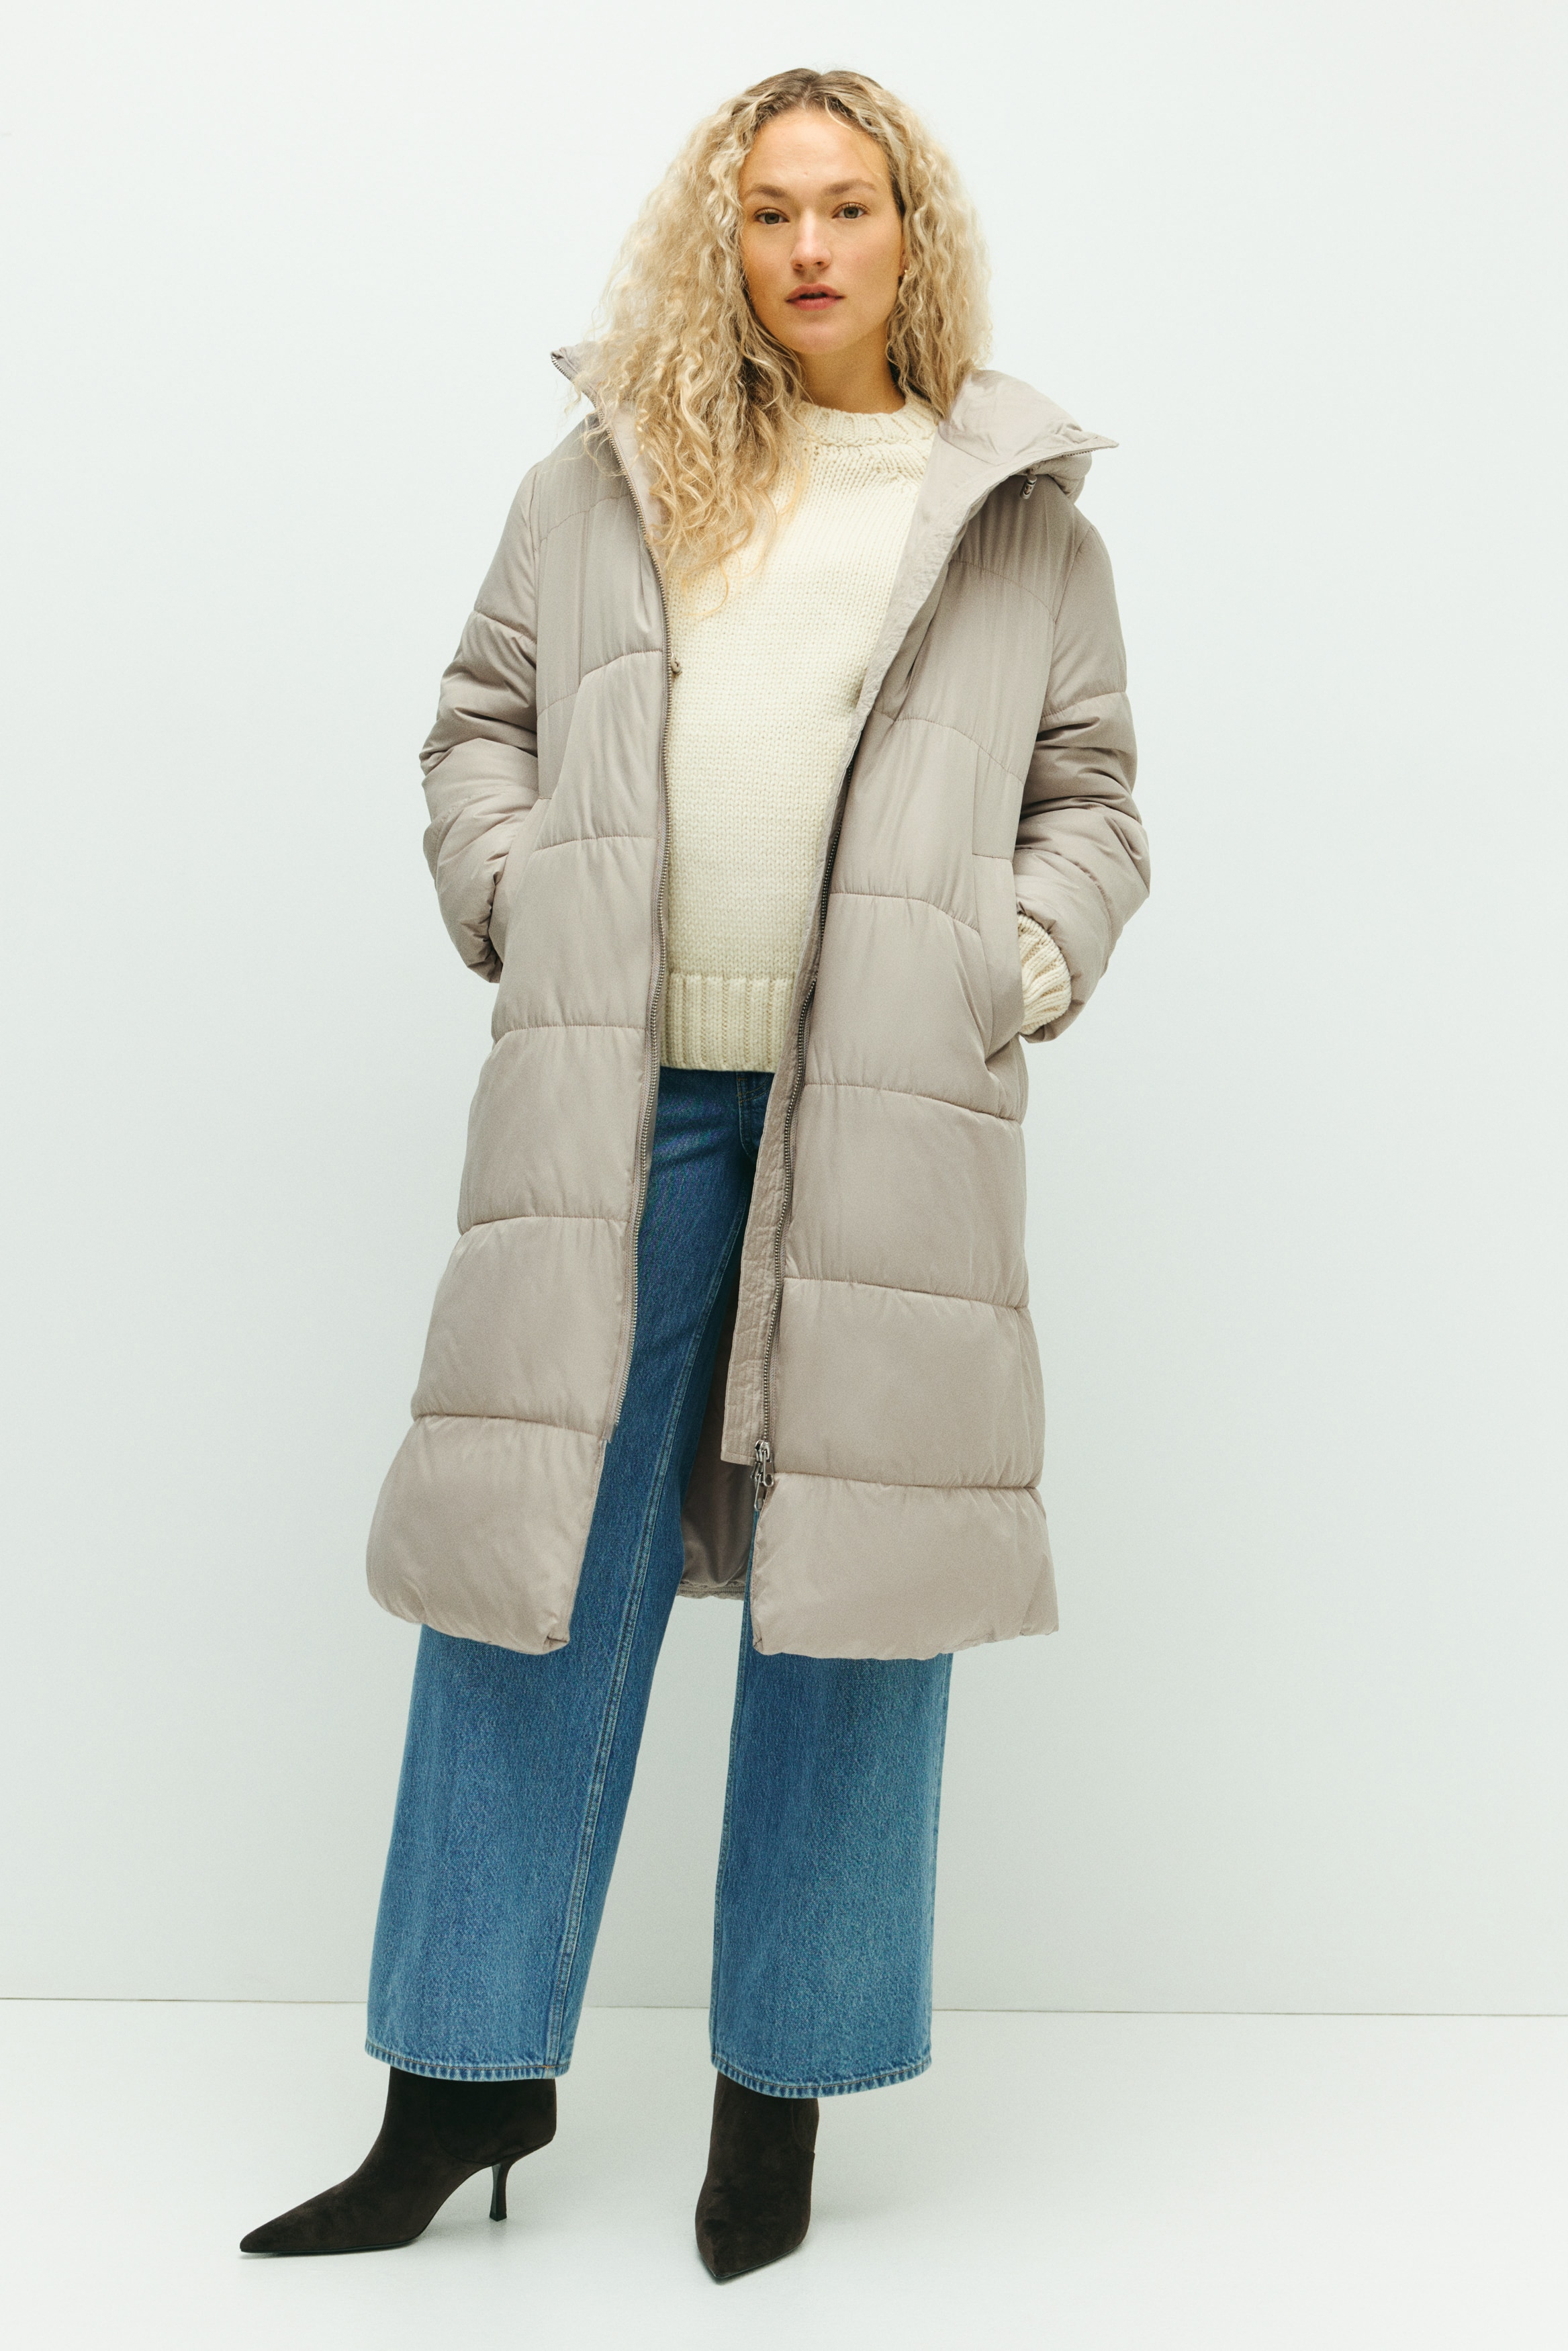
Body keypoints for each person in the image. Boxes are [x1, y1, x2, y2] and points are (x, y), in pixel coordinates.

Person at [241, 64, 1148, 2279]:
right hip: (624, 1104)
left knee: (856, 1602)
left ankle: (781, 2103)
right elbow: (479, 718)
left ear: (913, 232)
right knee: (524, 1575)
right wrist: (520, 886)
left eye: (850, 206)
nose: (811, 247)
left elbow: (1094, 799)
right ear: (721, 241)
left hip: (888, 1118)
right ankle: (460, 2080)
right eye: (769, 211)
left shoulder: (1021, 520)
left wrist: (1014, 960)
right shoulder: (604, 478)